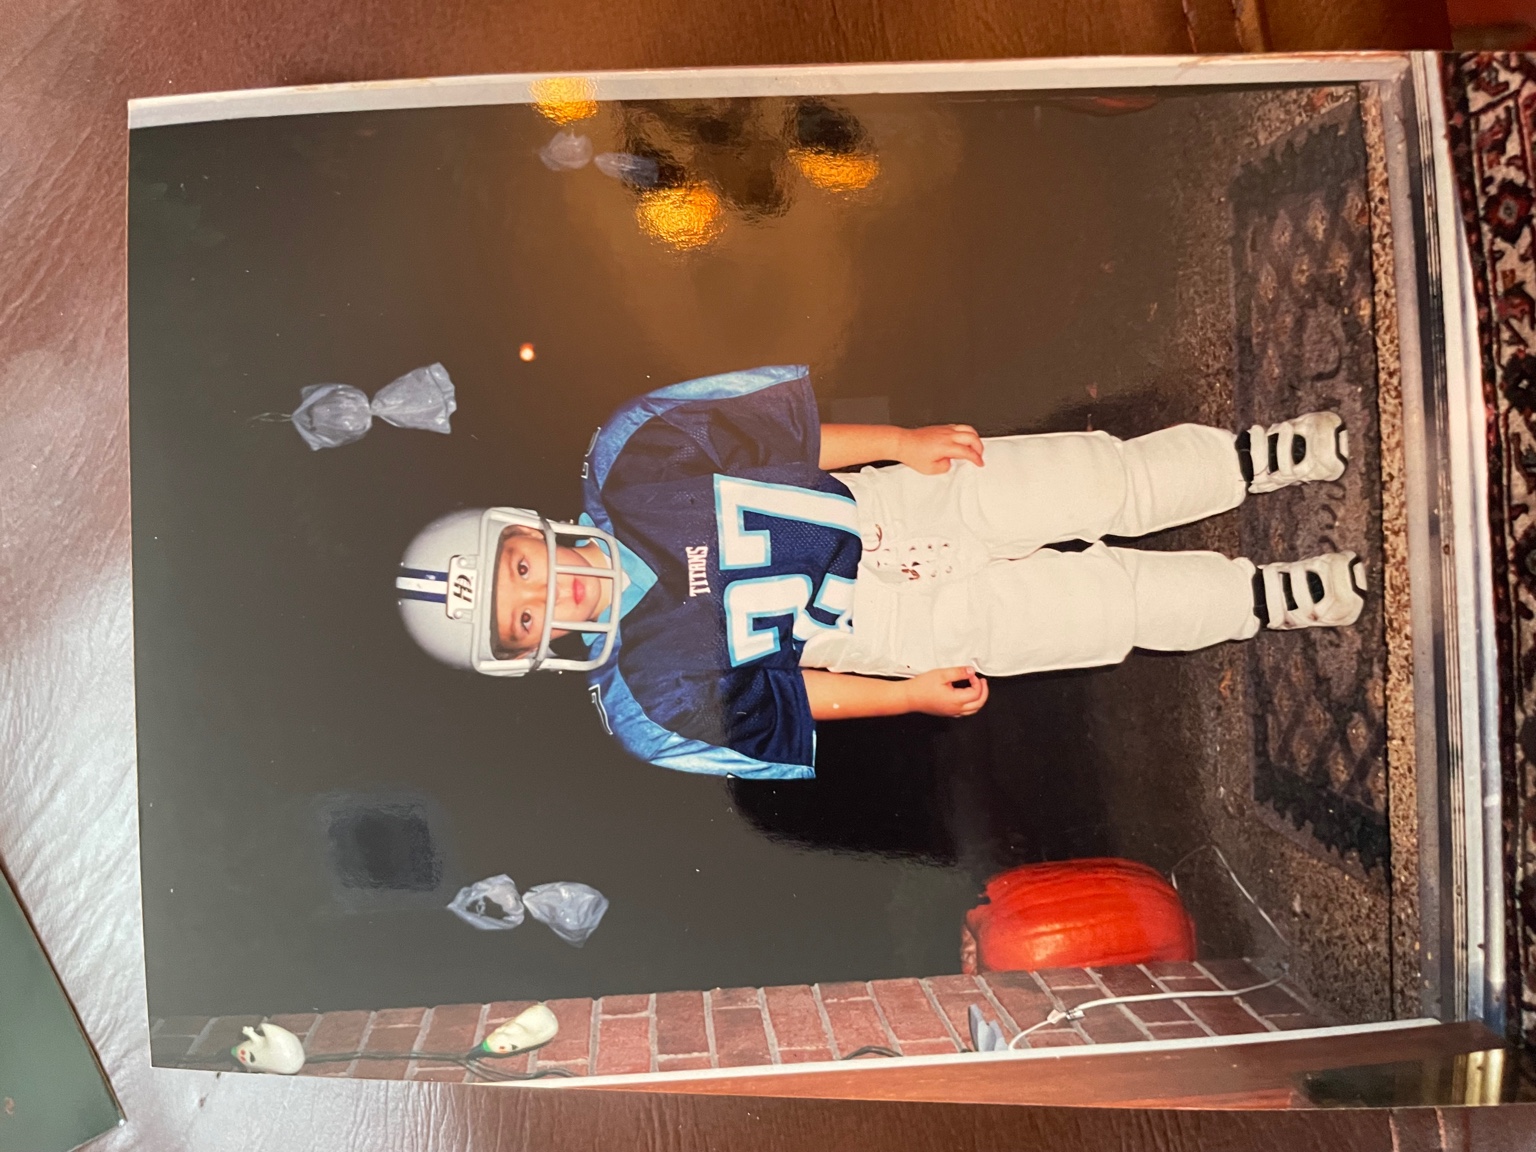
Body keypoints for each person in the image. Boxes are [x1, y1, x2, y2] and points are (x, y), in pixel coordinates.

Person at [396, 365, 1365, 780]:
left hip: (890, 504)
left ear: (525, 530)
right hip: (885, 632)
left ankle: (1258, 457)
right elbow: (800, 695)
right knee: (1097, 609)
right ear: (527, 652)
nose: (542, 592)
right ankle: (1272, 597)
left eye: (519, 567)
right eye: (520, 618)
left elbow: (784, 432)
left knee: (1094, 477)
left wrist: (899, 440)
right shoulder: (645, 700)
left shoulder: (633, 453)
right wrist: (903, 695)